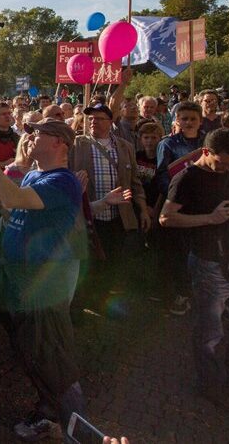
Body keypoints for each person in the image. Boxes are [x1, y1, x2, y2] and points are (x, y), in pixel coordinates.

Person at [0, 119, 85, 441]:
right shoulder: (36, 174)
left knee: (54, 359)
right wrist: (5, 209)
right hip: (20, 280)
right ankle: (49, 413)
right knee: (33, 354)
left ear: (59, 143)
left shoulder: (64, 181)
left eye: (39, 133)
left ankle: (78, 428)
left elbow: (15, 197)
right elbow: (20, 208)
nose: (30, 137)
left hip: (43, 286)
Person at [159, 128, 229, 412]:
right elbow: (166, 218)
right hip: (209, 262)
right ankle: (210, 384)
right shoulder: (187, 178)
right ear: (206, 152)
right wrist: (210, 218)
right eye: (223, 163)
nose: (228, 169)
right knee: (210, 332)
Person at [71, 104, 149, 307]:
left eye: (99, 118)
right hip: (89, 215)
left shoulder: (125, 147)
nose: (93, 122)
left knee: (112, 260)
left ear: (110, 121)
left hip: (118, 216)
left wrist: (141, 207)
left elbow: (134, 181)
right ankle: (83, 301)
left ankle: (102, 298)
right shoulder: (76, 144)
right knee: (87, 263)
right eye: (90, 119)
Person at [156, 101, 205, 316]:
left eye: (192, 118)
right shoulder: (167, 144)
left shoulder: (208, 142)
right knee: (179, 254)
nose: (188, 122)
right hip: (177, 207)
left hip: (205, 206)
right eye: (184, 118)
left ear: (200, 121)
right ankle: (182, 293)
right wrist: (178, 198)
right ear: (177, 120)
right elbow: (162, 175)